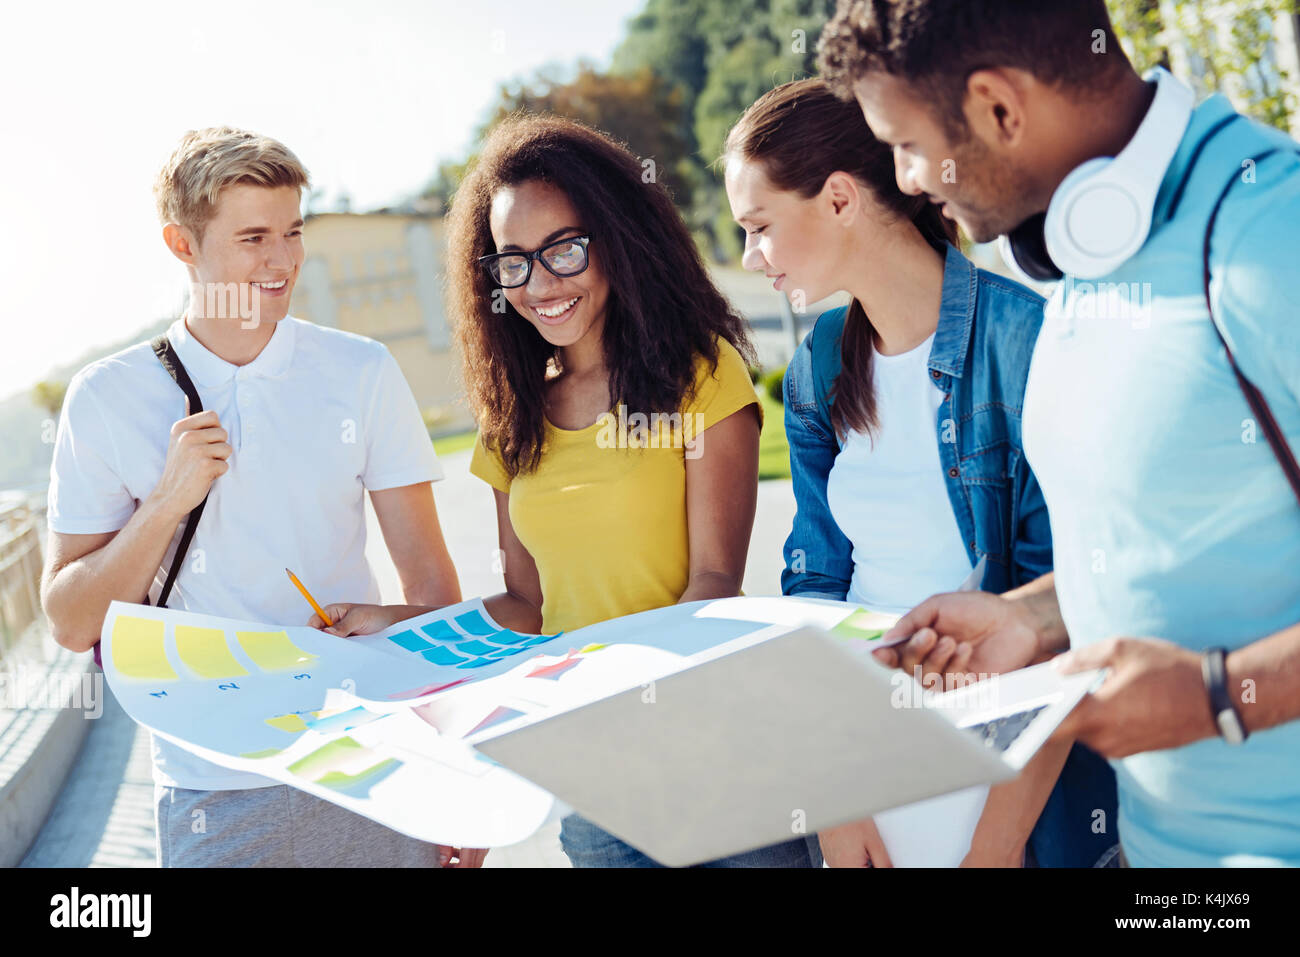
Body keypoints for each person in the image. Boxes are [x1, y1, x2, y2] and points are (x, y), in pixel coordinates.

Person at [820, 0, 1300, 866]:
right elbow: (1182, 537)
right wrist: (1034, 619)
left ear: (1001, 108)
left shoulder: (1272, 237)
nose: (910, 178)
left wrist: (1216, 694)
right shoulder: (1084, 247)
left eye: (908, 144)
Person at [317, 114, 820, 868]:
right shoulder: (512, 419)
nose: (540, 284)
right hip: (595, 778)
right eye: (512, 262)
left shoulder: (700, 373)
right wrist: (392, 628)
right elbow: (527, 605)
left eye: (564, 249)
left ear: (615, 237)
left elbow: (712, 585)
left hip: (719, 755)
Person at [41, 126, 477, 868]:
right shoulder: (106, 398)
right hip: (216, 789)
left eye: (293, 232)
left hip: (372, 762)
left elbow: (434, 593)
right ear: (183, 245)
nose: (282, 262)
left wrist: (455, 777)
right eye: (252, 238)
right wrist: (166, 503)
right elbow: (70, 617)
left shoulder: (360, 372)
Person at [724, 77, 1117, 867]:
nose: (748, 256)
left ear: (839, 199)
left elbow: (1069, 617)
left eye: (758, 225)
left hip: (1011, 799)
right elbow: (816, 594)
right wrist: (837, 798)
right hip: (868, 778)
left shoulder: (1028, 343)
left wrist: (998, 846)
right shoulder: (817, 364)